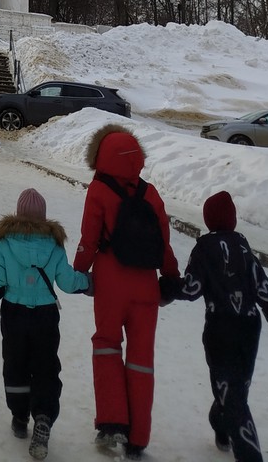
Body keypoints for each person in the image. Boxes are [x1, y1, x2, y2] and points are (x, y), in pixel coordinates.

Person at [73, 125, 180, 459]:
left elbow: (89, 238)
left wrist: (79, 272)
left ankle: (112, 423)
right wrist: (171, 276)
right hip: (146, 286)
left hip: (110, 282)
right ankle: (139, 436)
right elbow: (164, 241)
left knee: (106, 345)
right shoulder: (151, 194)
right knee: (141, 359)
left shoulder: (99, 190)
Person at [174, 190, 268, 462]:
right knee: (237, 391)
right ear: (233, 220)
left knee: (234, 395)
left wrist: (167, 288)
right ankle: (222, 420)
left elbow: (191, 289)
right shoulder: (244, 250)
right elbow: (266, 294)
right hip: (249, 330)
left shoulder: (204, 249)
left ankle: (230, 430)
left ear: (207, 219)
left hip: (220, 330)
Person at [0, 186, 92, 461]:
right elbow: (65, 280)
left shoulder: (5, 244)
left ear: (17, 214)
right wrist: (87, 283)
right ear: (44, 216)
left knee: (15, 364)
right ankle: (43, 416)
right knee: (45, 366)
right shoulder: (53, 245)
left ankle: (19, 417)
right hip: (45, 316)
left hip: (14, 314)